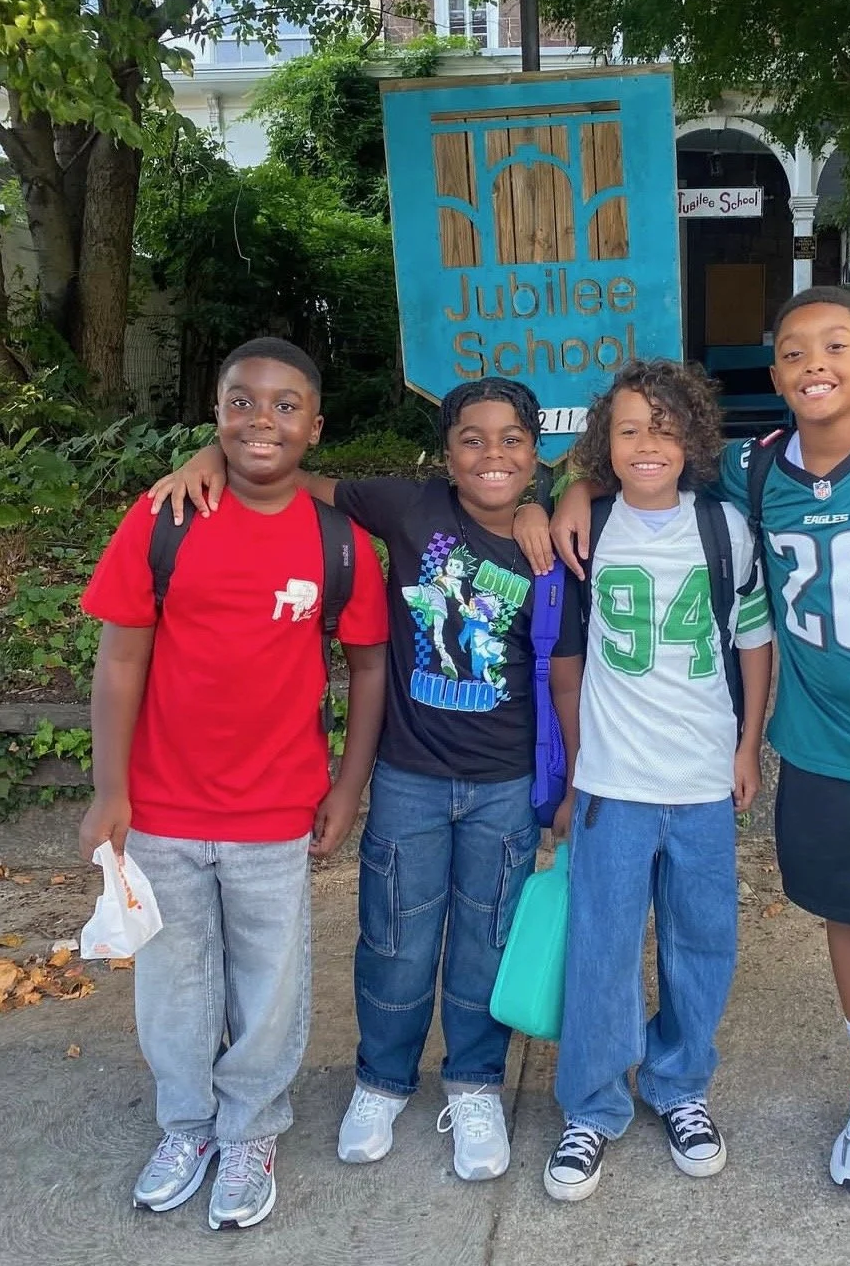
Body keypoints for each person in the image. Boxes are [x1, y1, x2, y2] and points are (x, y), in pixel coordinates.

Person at [533, 287, 850, 1198]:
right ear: (774, 372)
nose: (814, 364)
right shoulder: (756, 477)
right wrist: (574, 480)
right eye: (793, 351)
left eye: (836, 345)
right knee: (845, 918)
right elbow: (644, 465)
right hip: (821, 748)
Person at [148, 376, 583, 1184]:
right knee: (394, 937)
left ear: (537, 455)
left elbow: (565, 672)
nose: (492, 454)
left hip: (504, 784)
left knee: (486, 938)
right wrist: (213, 448)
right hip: (409, 780)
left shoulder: (552, 548)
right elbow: (282, 468)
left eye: (512, 440)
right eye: (471, 439)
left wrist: (571, 781)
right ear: (445, 455)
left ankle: (475, 1080)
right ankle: (382, 1079)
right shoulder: (407, 507)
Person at [80, 338, 388, 1230]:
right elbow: (121, 657)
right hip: (163, 809)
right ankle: (188, 1123)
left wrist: (348, 783)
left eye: (287, 405)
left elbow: (367, 667)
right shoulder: (165, 517)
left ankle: (251, 1126)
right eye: (243, 402)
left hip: (275, 811)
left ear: (316, 426)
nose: (264, 418)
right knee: (172, 984)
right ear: (215, 415)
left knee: (271, 982)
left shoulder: (339, 540)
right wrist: (109, 790)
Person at [533, 359, 773, 1202]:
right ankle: (591, 1106)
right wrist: (569, 487)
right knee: (601, 947)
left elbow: (752, 641)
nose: (648, 444)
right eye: (630, 428)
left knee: (700, 939)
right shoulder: (585, 528)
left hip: (705, 776)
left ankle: (679, 1084)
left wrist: (749, 746)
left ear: (693, 440)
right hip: (613, 781)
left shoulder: (724, 530)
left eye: (665, 429)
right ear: (606, 442)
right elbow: (563, 655)